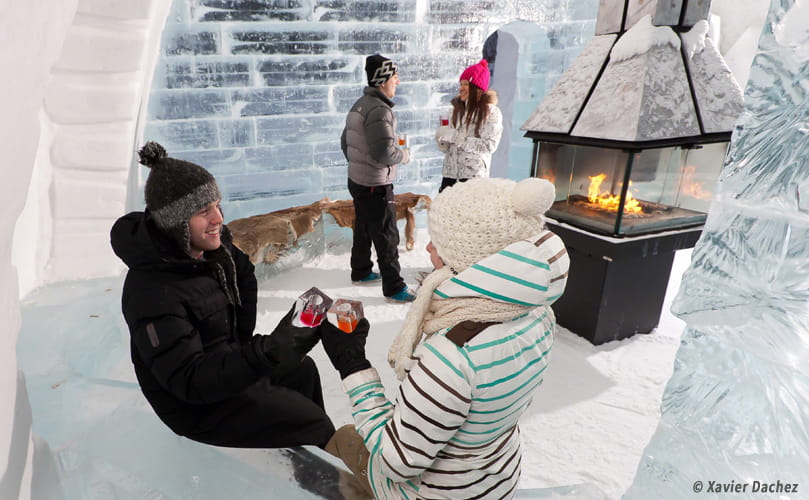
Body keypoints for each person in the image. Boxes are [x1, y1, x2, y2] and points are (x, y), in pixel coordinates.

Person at [318, 177, 570, 499]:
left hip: (437, 493)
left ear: (470, 257)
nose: (428, 247)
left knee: (344, 439)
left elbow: (399, 462)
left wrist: (352, 365)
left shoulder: (452, 355)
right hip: (497, 478)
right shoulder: (539, 314)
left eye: (439, 242)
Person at [110, 142, 337, 451]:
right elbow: (188, 379)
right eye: (205, 211)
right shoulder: (151, 292)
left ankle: (302, 460)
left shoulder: (214, 252)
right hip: (194, 406)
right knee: (313, 424)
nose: (219, 218)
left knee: (301, 371)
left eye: (217, 205)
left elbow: (243, 283)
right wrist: (264, 353)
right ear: (176, 224)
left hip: (223, 364)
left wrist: (283, 337)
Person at [341, 53, 416, 303]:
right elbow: (384, 152)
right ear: (383, 79)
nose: (398, 81)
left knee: (363, 226)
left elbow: (345, 143)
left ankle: (360, 270)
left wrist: (358, 166)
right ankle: (394, 288)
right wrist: (403, 155)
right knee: (387, 235)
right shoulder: (380, 110)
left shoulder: (359, 105)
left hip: (358, 181)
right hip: (375, 185)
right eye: (395, 77)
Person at [435, 59, 504, 192]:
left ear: (477, 88)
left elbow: (488, 146)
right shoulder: (454, 110)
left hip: (473, 178)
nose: (461, 88)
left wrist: (456, 137)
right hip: (449, 176)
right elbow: (447, 149)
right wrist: (442, 140)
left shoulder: (491, 112)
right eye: (461, 84)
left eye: (466, 84)